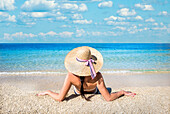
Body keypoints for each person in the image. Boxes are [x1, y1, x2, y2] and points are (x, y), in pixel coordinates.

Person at [36, 46, 136, 102]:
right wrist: (122, 92)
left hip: (78, 92)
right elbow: (108, 98)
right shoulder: (97, 75)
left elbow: (60, 98)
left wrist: (48, 92)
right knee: (108, 90)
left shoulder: (71, 75)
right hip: (94, 91)